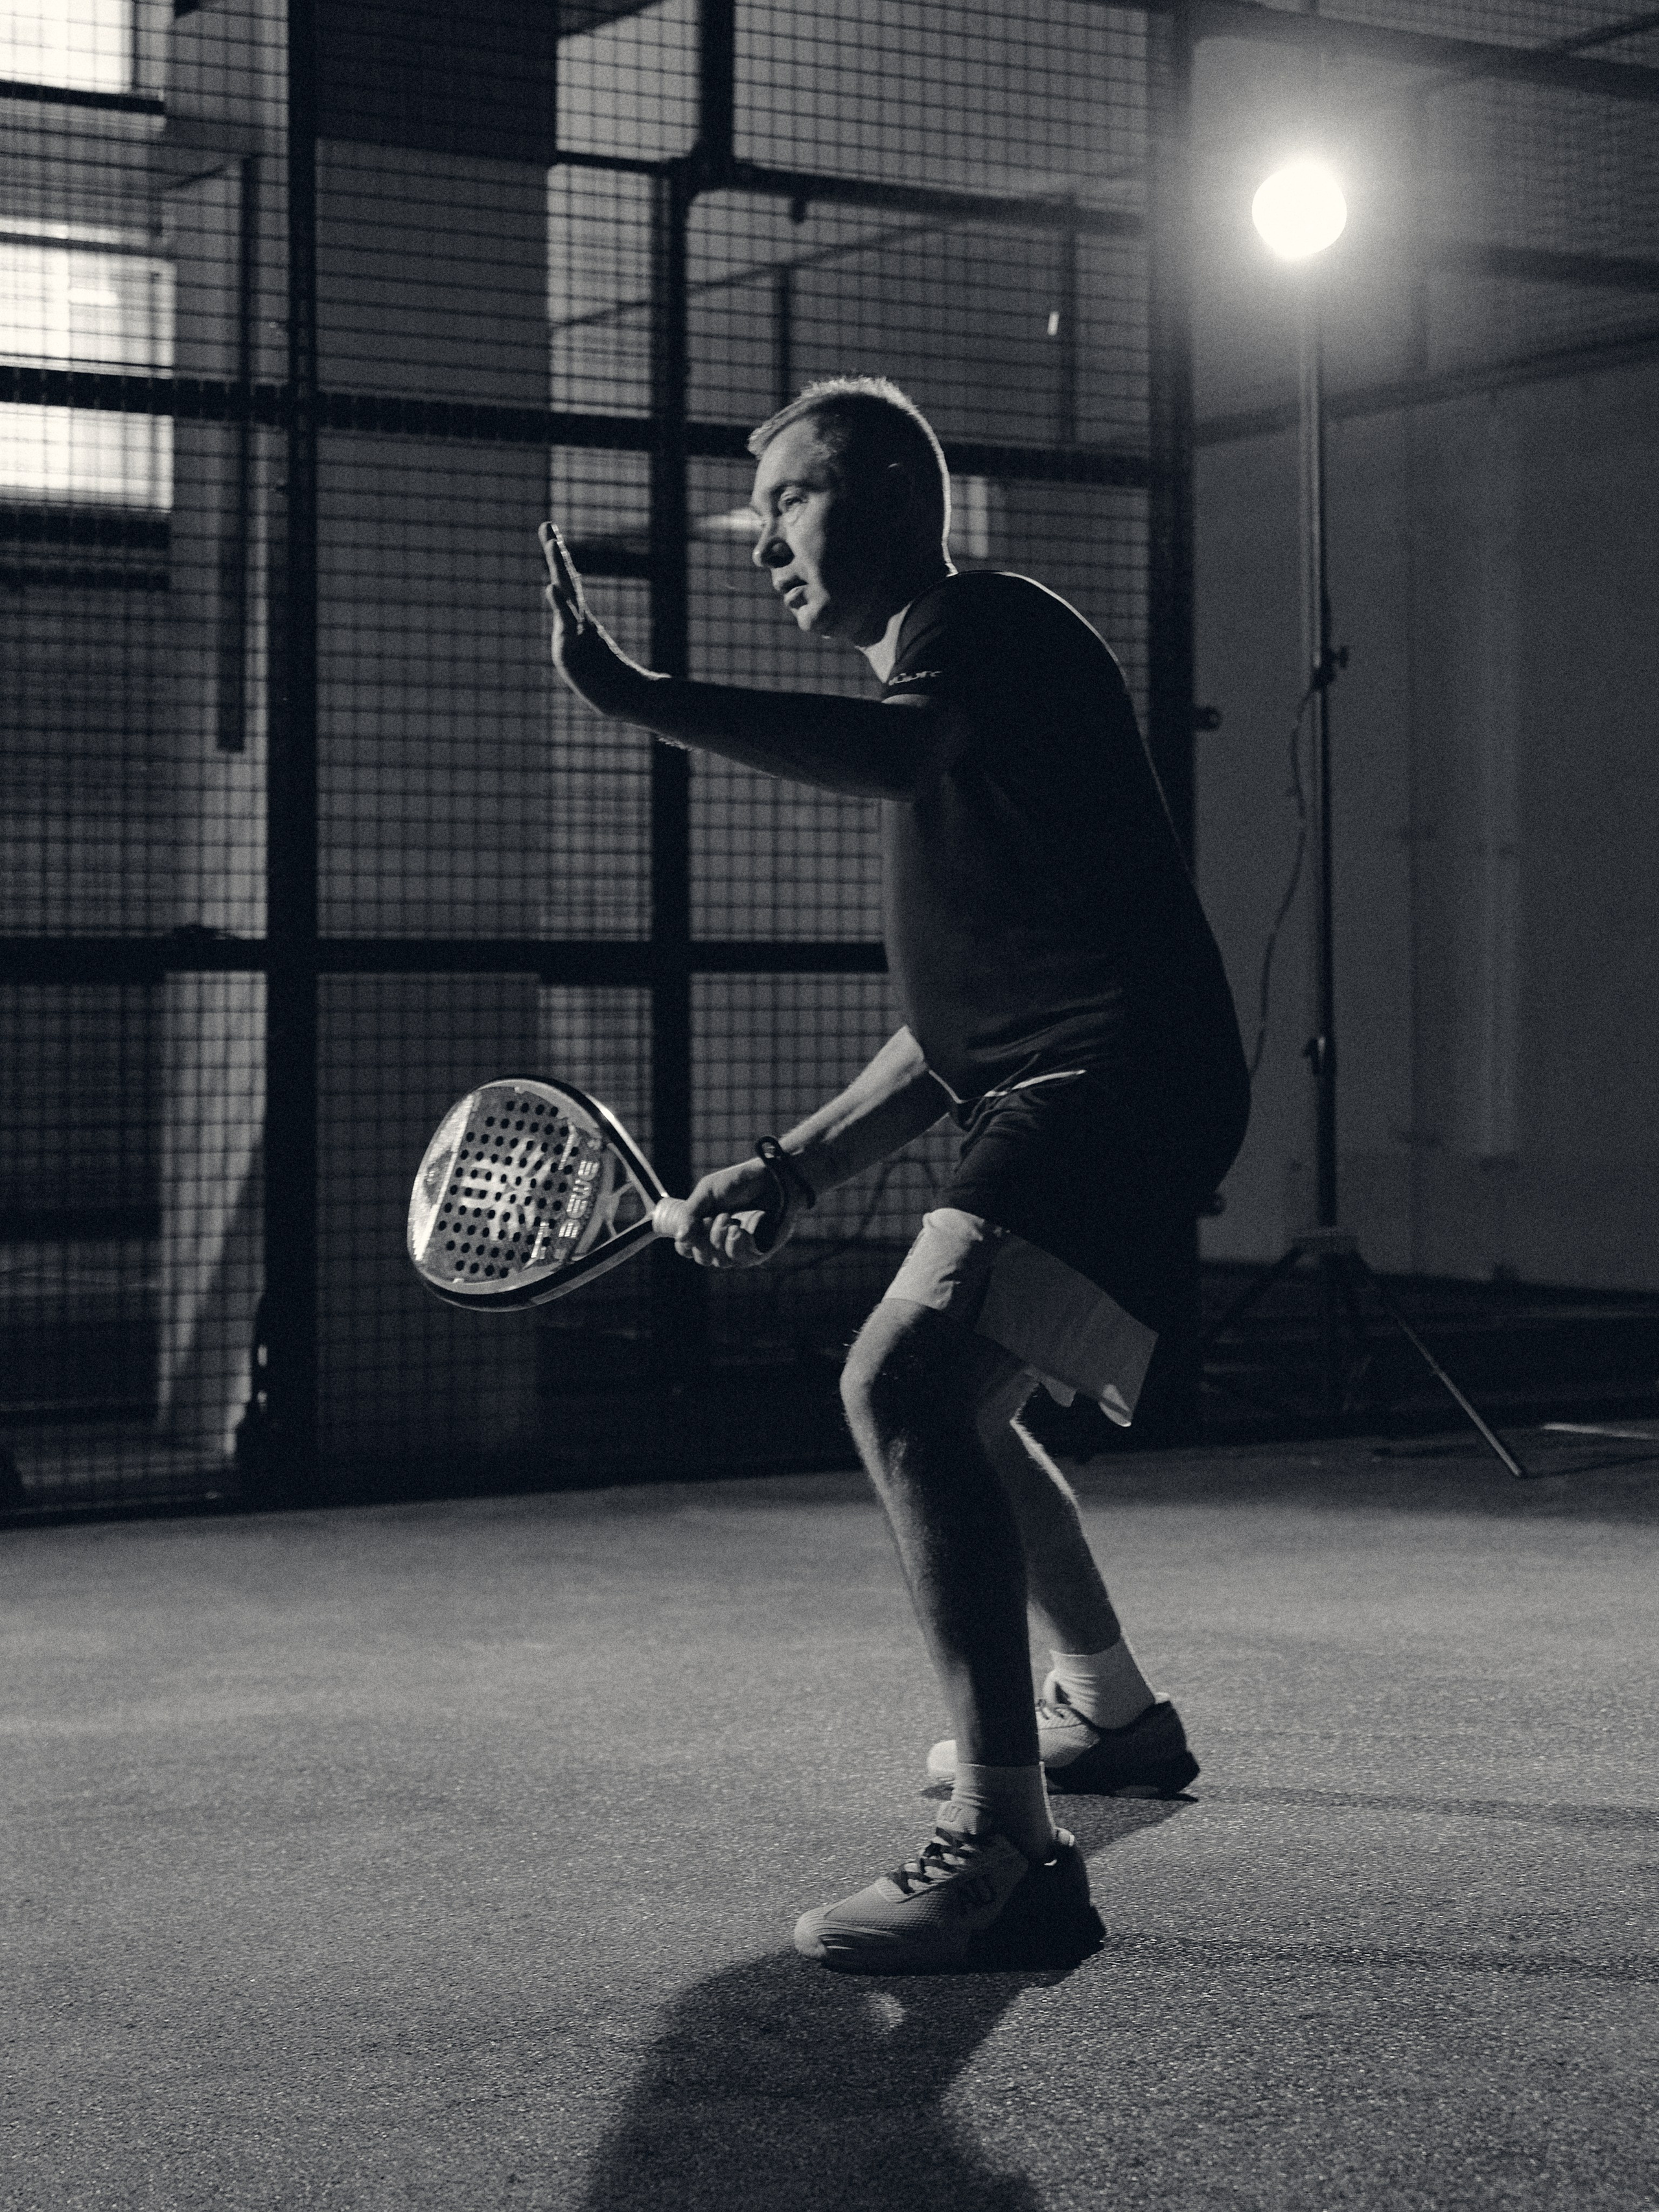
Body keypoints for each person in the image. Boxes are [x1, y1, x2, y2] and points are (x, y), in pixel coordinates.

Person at [540, 375, 1249, 1974]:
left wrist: (641, 697)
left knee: (904, 1383)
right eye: (756, 512)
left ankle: (1006, 1851)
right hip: (1084, 1076)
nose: (760, 542)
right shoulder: (957, 713)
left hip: (1116, 1078)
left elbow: (893, 754)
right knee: (960, 1403)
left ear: (892, 497)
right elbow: (945, 1040)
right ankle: (1111, 1717)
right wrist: (789, 1170)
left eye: (789, 499)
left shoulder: (983, 627)